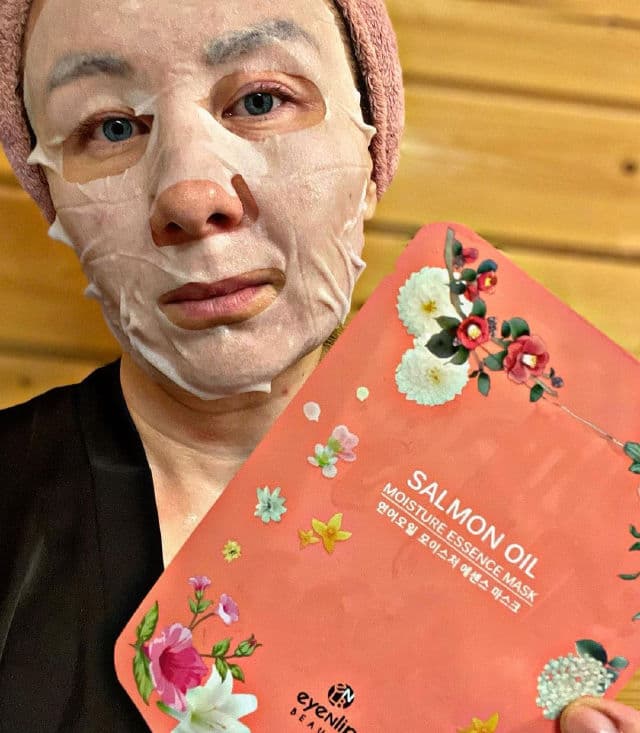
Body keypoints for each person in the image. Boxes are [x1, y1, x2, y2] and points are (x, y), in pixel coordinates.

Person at [0, 0, 637, 731]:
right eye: (111, 127)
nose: (192, 195)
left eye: (260, 100)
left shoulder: (542, 559)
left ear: (373, 150)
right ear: (51, 198)